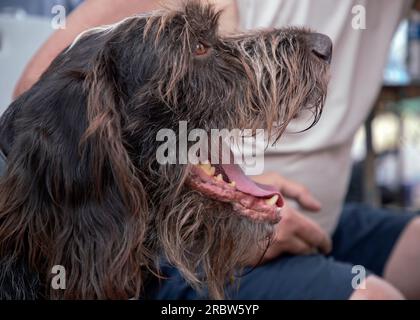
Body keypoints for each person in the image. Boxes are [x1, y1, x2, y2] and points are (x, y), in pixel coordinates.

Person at [11, 0, 420, 300]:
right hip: (166, 253)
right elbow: (35, 98)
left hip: (307, 217)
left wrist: (236, 186)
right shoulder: (101, 80)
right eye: (204, 48)